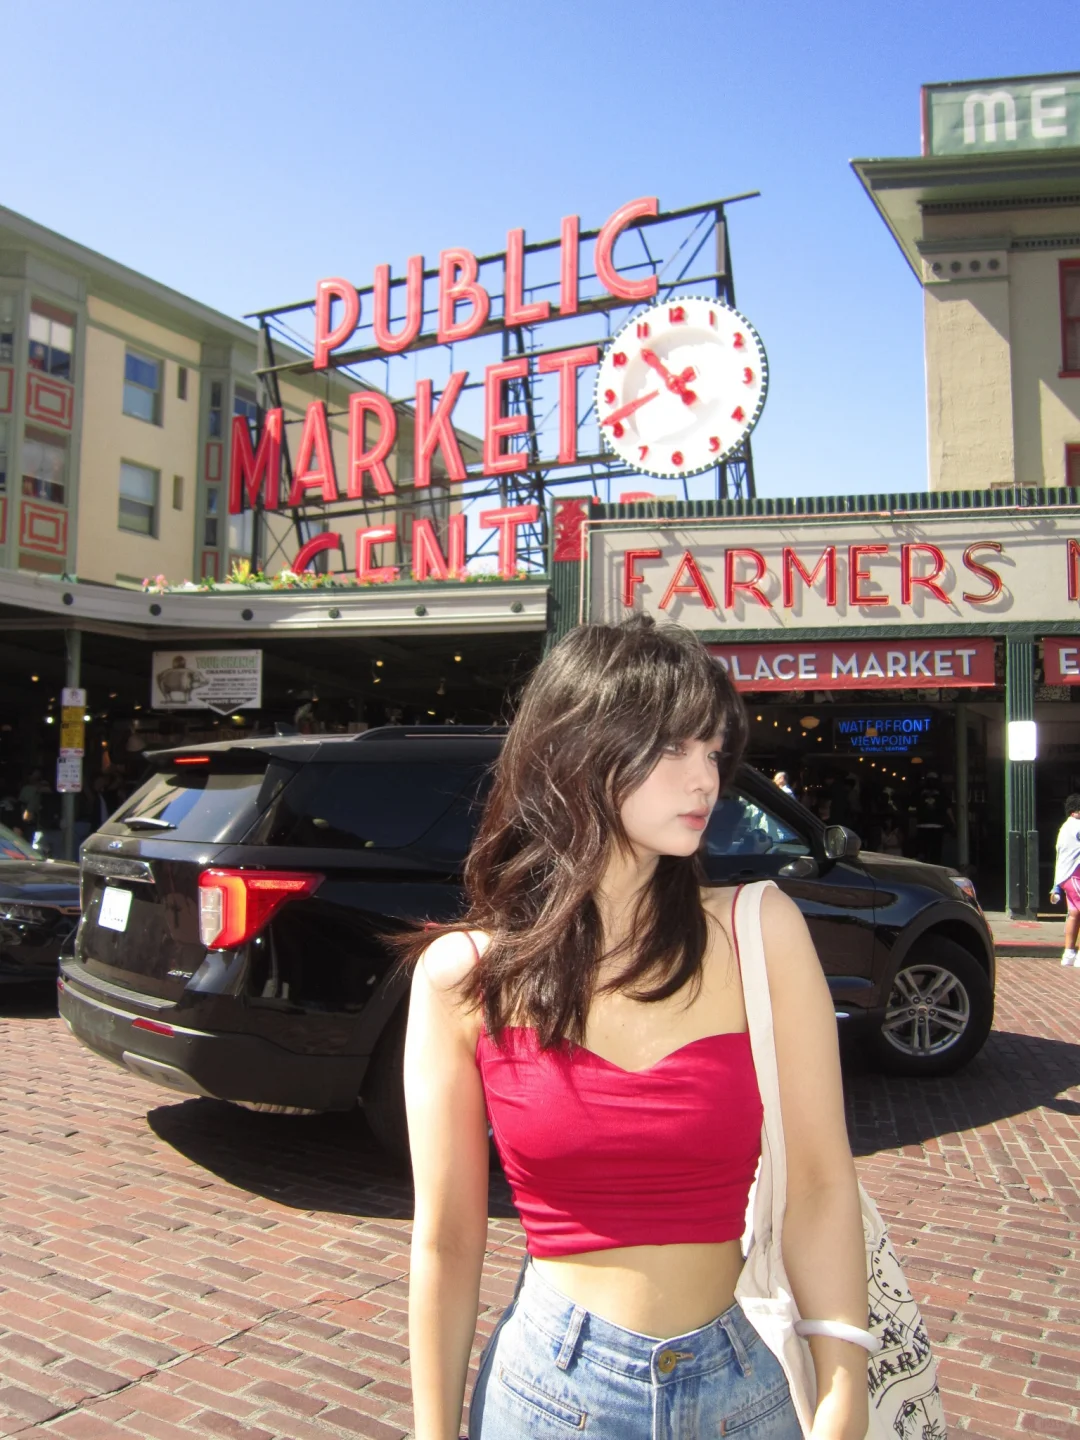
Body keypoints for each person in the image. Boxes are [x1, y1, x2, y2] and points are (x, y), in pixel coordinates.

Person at [403, 616, 869, 1440]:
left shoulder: (758, 931)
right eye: (675, 747)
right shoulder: (464, 978)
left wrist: (843, 1385)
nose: (707, 780)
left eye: (715, 751)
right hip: (548, 1396)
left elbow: (824, 1184)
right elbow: (445, 1240)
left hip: (745, 1388)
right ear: (579, 751)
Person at [1050, 793, 1080, 965]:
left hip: (1067, 876)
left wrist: (1056, 886)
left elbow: (1059, 855)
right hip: (1076, 875)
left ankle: (1068, 954)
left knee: (1074, 914)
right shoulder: (1077, 826)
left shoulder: (1065, 827)